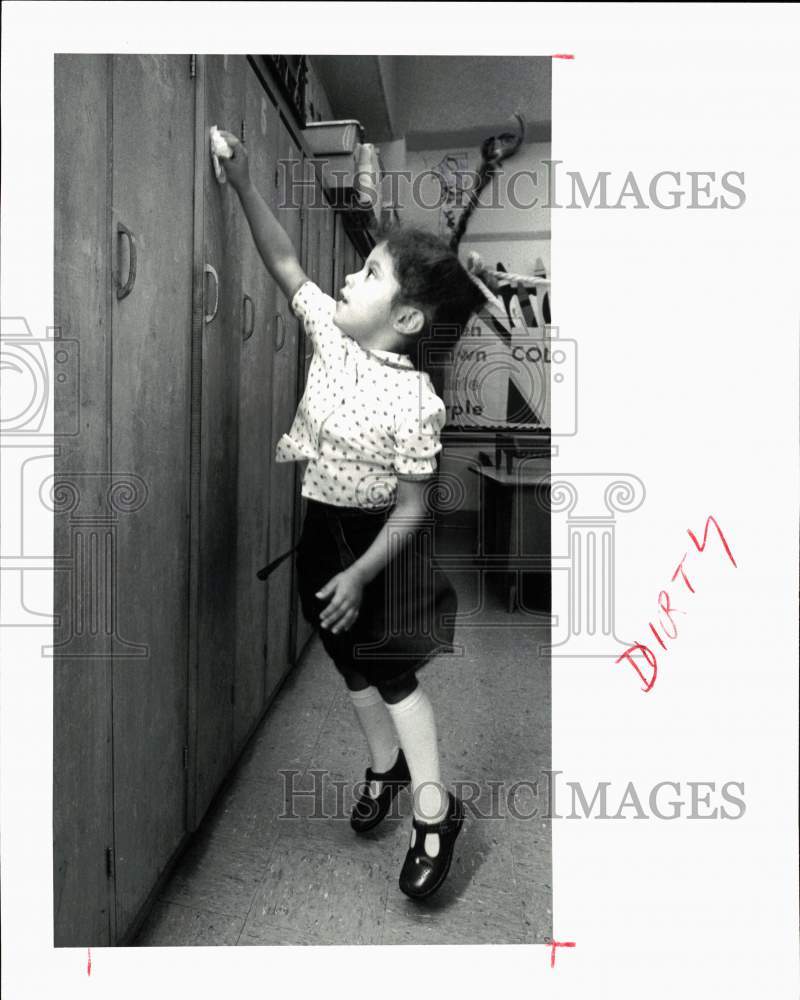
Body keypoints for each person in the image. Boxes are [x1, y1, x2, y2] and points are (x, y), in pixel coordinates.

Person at [219, 130, 485, 899]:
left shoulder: (417, 403)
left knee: (393, 671)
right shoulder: (333, 338)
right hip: (322, 529)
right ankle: (384, 767)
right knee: (345, 656)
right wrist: (241, 183)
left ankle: (436, 811)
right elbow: (284, 263)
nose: (346, 275)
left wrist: (363, 575)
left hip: (381, 548)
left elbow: (411, 509)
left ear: (405, 320)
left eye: (368, 273)